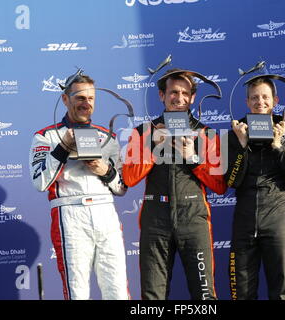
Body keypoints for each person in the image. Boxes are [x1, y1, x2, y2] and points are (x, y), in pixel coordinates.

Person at [122, 68, 227, 300]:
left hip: (193, 219)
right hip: (155, 220)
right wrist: (153, 145)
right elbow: (129, 177)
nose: (178, 98)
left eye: (184, 93)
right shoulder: (143, 132)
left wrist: (194, 159)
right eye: (173, 92)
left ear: (192, 98)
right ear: (161, 95)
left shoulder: (207, 133)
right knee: (152, 297)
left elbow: (220, 185)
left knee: (204, 296)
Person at [29, 72, 129, 300]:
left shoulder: (108, 137)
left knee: (117, 291)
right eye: (80, 98)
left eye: (90, 98)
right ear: (65, 99)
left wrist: (104, 170)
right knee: (77, 291)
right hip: (70, 213)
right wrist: (63, 147)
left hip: (105, 212)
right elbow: (40, 182)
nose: (86, 103)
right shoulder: (45, 136)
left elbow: (122, 188)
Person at [225, 76, 285, 300]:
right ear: (247, 102)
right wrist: (242, 146)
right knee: (241, 294)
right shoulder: (233, 137)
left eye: (265, 97)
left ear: (275, 101)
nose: (259, 102)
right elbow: (230, 182)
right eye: (254, 97)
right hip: (244, 223)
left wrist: (278, 147)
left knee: (281, 292)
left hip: (278, 222)